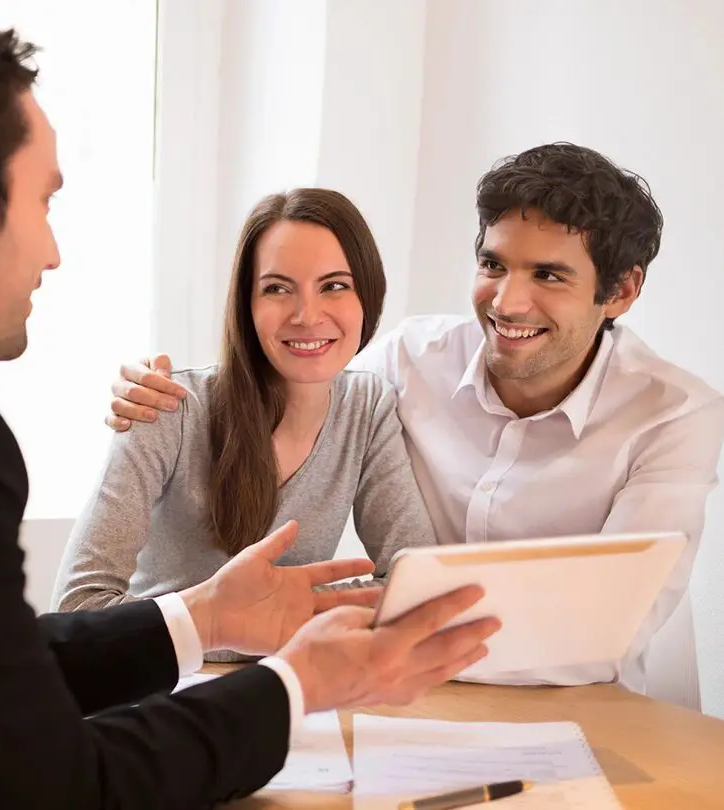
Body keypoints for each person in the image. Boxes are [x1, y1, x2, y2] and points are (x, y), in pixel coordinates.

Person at [0, 14, 501, 810]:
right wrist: (294, 686)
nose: (53, 252)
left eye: (334, 287)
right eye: (44, 200)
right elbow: (52, 783)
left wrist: (202, 614)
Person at [107, 142, 724, 693]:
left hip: (592, 702)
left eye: (549, 275)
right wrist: (158, 392)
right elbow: (307, 363)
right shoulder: (409, 360)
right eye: (493, 265)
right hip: (416, 692)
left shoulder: (674, 416)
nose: (507, 301)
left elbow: (602, 629)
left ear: (619, 292)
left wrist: (351, 628)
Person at [52, 188, 436, 648]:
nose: (306, 315)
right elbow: (78, 611)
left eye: (334, 285)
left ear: (367, 296)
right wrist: (235, 620)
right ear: (246, 305)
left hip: (289, 687)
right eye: (277, 288)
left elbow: (416, 583)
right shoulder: (169, 407)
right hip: (164, 690)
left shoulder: (367, 407)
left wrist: (283, 613)